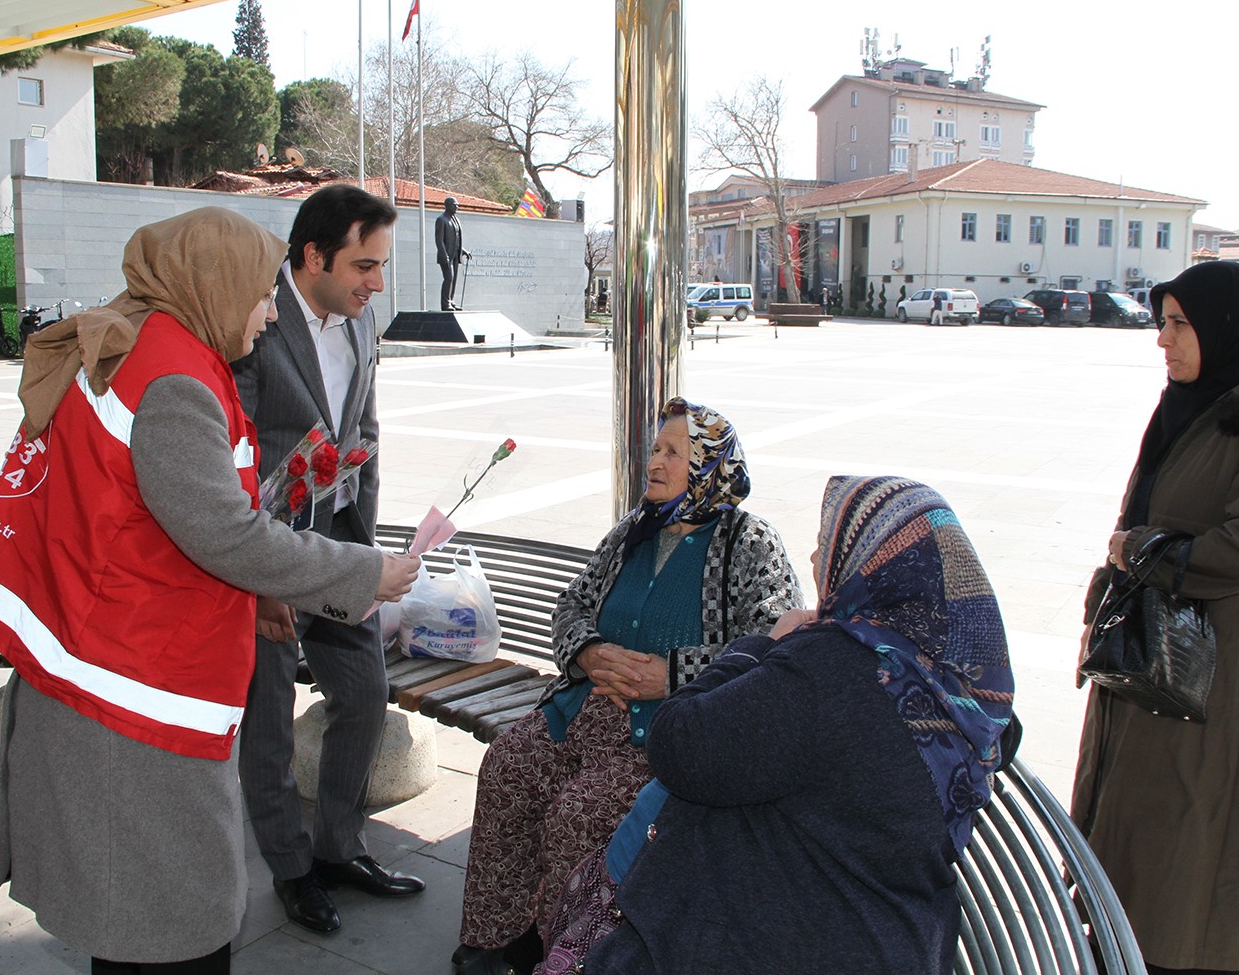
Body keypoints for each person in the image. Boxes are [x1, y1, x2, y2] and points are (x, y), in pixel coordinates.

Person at [0, 206, 416, 974]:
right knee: (168, 923)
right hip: (133, 687)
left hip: (116, 659)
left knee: (137, 915)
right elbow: (225, 530)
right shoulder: (174, 380)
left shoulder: (153, 345)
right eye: (262, 292)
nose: (268, 311)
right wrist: (363, 574)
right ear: (214, 285)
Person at [535, 475, 1016, 975]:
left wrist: (762, 644)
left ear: (873, 564)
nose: (813, 561)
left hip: (792, 933)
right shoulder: (958, 677)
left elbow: (677, 743)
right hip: (888, 926)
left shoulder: (833, 666)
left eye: (826, 546)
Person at [453, 398, 803, 975]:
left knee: (578, 815)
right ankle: (498, 937)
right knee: (507, 768)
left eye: (673, 452)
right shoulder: (632, 533)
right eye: (655, 449)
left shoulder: (748, 542)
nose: (655, 462)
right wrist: (588, 652)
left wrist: (672, 673)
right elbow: (572, 606)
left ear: (710, 464)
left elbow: (772, 643)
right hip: (580, 711)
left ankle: (561, 956)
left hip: (663, 737)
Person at [1070, 260, 1239, 975]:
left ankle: (1181, 959)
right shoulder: (1186, 409)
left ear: (1226, 330)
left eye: (1180, 325)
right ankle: (1115, 944)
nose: (1163, 339)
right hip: (1143, 651)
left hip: (1206, 671)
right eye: (1163, 322)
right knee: (1120, 809)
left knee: (1185, 829)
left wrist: (1142, 551)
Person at [233, 184, 424, 938]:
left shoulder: (361, 319)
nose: (376, 282)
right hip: (271, 556)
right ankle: (291, 871)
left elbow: (363, 429)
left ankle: (340, 847)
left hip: (340, 546)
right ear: (313, 256)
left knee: (364, 694)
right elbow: (233, 458)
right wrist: (256, 583)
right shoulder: (253, 317)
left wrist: (364, 544)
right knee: (270, 727)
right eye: (364, 264)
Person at [436, 197, 471, 311]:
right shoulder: (442, 219)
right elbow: (439, 240)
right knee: (448, 278)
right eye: (455, 205)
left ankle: (451, 300)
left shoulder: (456, 220)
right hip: (446, 256)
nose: (457, 207)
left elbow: (456, 239)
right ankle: (445, 304)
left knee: (454, 279)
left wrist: (463, 250)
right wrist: (444, 255)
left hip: (456, 255)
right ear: (448, 205)